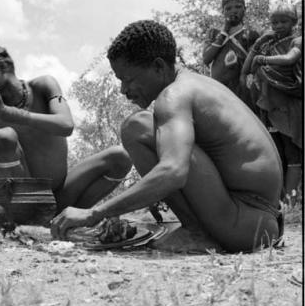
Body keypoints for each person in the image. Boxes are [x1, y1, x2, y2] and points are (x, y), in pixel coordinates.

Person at [51, 20, 283, 253]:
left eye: (128, 79)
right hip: (262, 220)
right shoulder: (197, 84)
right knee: (144, 126)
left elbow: (173, 172)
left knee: (136, 128)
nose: (123, 90)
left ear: (159, 67)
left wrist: (94, 213)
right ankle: (196, 229)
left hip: (243, 225)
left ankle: (195, 232)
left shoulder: (173, 96)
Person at [0, 41, 132, 216]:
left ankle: (71, 218)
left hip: (61, 195)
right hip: (19, 205)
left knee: (120, 157)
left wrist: (9, 113)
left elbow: (65, 125)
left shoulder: (43, 86)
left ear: (3, 67)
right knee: (5, 136)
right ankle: (26, 220)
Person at [241, 3, 302, 205]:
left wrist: (265, 59)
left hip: (288, 105)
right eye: (274, 22)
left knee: (292, 152)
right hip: (269, 106)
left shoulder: (298, 40)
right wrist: (258, 44)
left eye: (284, 21)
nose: (278, 26)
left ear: (294, 22)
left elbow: (290, 58)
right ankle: (279, 200)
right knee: (275, 151)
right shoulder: (267, 44)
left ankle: (292, 198)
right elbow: (249, 67)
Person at [202, 0, 260, 109]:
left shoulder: (251, 34)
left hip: (242, 90)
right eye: (228, 8)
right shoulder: (214, 33)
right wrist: (224, 32)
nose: (233, 11)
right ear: (223, 12)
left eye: (238, 7)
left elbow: (254, 64)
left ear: (245, 9)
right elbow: (206, 58)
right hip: (218, 89)